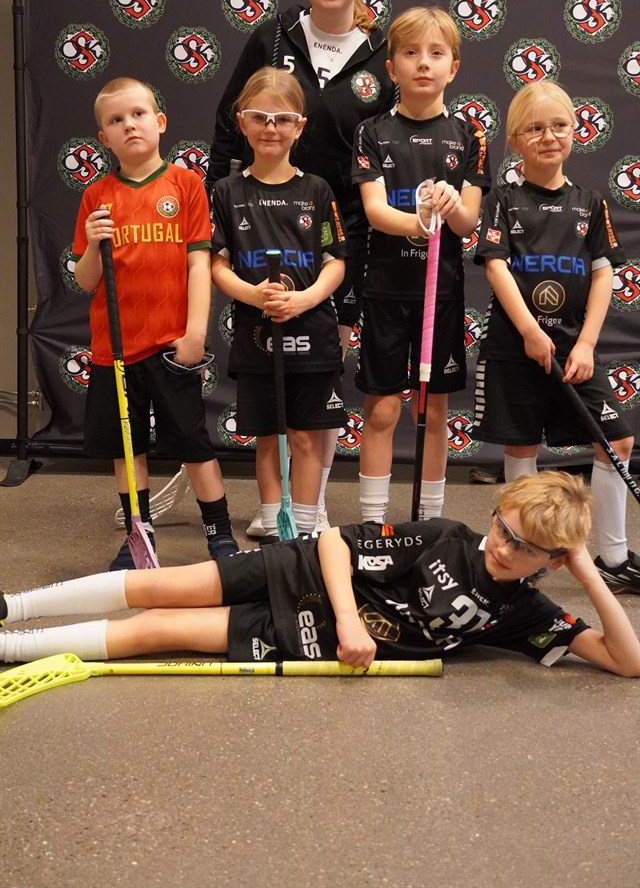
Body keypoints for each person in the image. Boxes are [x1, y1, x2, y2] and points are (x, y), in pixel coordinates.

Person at [1, 472, 639, 678]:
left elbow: (625, 661)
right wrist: (349, 621)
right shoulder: (446, 536)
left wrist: (587, 577)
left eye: (525, 549)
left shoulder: (523, 612)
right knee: (159, 586)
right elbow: (335, 540)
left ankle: (10, 650)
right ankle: (12, 609)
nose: (502, 547)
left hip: (305, 637)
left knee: (155, 629)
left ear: (552, 561)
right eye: (503, 528)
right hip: (304, 571)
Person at [206, 0, 396, 535]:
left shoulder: (384, 52)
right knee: (269, 366)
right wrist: (219, 201)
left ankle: (309, 510)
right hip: (264, 229)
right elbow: (228, 123)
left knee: (321, 370)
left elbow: (394, 142)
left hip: (346, 236)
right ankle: (280, 510)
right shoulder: (272, 36)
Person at [471, 80, 639, 595]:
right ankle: (521, 552)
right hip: (515, 349)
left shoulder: (590, 203)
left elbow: (604, 274)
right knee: (522, 447)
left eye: (560, 126)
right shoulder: (502, 201)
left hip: (573, 350)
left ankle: (614, 556)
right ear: (515, 141)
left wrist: (585, 344)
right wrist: (528, 330)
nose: (549, 136)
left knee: (617, 441)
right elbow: (496, 268)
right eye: (535, 129)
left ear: (574, 132)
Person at [73, 77, 238, 570]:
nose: (129, 125)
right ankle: (138, 536)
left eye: (138, 114)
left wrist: (196, 332)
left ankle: (219, 533)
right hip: (114, 349)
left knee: (192, 442)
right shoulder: (97, 196)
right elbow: (85, 279)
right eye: (116, 120)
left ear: (160, 122)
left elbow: (198, 265)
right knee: (127, 448)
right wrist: (92, 242)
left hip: (171, 345)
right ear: (104, 138)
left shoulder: (185, 186)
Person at [351, 6, 491, 523]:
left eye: (436, 53)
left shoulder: (469, 135)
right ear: (392, 68)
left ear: (453, 67)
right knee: (383, 409)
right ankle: (373, 521)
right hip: (386, 292)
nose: (423, 63)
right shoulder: (372, 131)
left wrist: (451, 208)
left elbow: (468, 222)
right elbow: (374, 211)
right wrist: (421, 219)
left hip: (443, 295)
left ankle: (430, 520)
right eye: (411, 53)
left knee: (432, 410)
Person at [210, 67, 348, 537]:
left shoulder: (317, 190)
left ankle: (304, 531)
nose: (271, 128)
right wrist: (253, 294)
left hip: (312, 334)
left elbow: (336, 262)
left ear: (300, 126)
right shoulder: (227, 192)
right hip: (257, 336)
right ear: (242, 122)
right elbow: (216, 265)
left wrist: (304, 299)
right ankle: (274, 524)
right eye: (260, 117)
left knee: (306, 435)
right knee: (269, 436)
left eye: (283, 119)